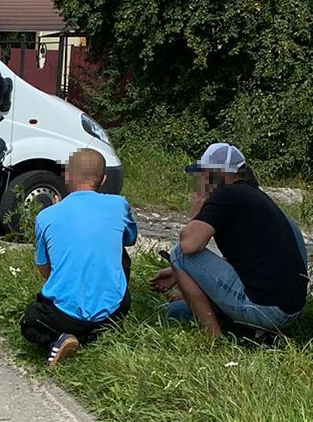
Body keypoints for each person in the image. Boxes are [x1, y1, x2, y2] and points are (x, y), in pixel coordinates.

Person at [149, 143, 308, 338]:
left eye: (203, 175)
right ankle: (258, 333)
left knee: (179, 254)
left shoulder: (226, 195)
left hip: (265, 309)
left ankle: (212, 340)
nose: (199, 182)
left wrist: (197, 212)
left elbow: (188, 245)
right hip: (288, 309)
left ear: (217, 174)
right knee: (178, 310)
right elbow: (248, 260)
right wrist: (176, 274)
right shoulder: (252, 196)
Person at [20, 148, 137, 367]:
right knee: (120, 249)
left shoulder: (46, 216)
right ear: (102, 179)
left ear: (66, 176)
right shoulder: (120, 205)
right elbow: (130, 240)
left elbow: (45, 272)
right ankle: (96, 332)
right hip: (115, 311)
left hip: (62, 316)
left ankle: (62, 338)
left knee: (30, 320)